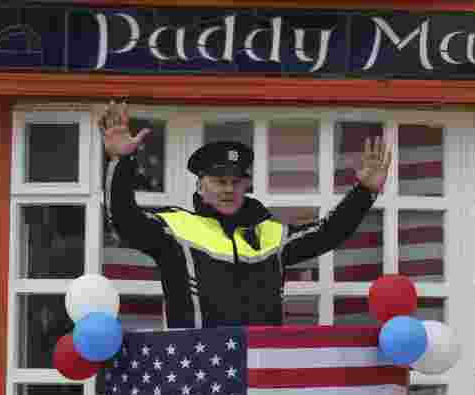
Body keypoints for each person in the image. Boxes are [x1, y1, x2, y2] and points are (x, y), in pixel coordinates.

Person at [100, 101, 392, 328]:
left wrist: (364, 191)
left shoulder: (271, 233)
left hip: (261, 376)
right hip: (198, 378)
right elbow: (123, 221)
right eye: (218, 181)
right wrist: (120, 160)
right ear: (200, 185)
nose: (228, 189)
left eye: (236, 181)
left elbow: (329, 233)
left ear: (247, 184)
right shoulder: (175, 227)